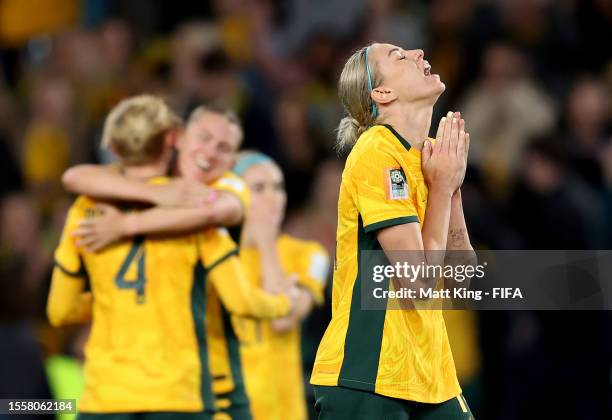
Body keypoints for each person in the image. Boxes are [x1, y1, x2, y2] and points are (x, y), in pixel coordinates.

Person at [47, 95, 296, 419]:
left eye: (223, 148)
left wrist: (126, 225)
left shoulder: (217, 195)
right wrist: (155, 193)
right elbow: (73, 176)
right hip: (184, 389)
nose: (209, 153)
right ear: (177, 137)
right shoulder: (152, 195)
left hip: (196, 381)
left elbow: (224, 210)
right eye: (204, 138)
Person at [310, 43, 475, 419]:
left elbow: (461, 281)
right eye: (399, 56)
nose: (418, 51)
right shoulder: (376, 152)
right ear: (382, 93)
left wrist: (450, 189)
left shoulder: (434, 159)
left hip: (433, 376)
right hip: (370, 373)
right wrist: (444, 190)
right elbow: (418, 283)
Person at [231, 151, 329, 420]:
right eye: (259, 188)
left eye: (278, 187)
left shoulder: (309, 254)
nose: (272, 197)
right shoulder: (217, 255)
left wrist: (265, 241)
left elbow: (283, 319)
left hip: (281, 411)